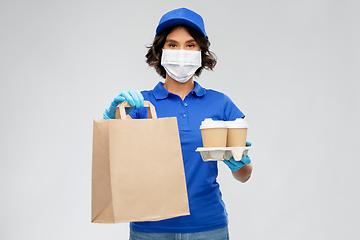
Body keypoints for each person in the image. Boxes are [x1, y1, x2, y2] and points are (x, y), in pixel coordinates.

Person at [103, 7, 253, 240]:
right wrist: (113, 118)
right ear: (160, 51)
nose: (181, 51)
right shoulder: (141, 104)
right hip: (149, 230)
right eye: (173, 44)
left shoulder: (221, 104)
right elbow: (113, 160)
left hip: (208, 228)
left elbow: (244, 175)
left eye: (190, 45)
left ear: (201, 51)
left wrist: (237, 162)